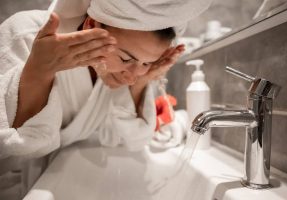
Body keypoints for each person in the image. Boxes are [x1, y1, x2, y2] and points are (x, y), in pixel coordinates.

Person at [0, 0, 211, 198]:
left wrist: (140, 83)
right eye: (126, 58)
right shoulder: (26, 34)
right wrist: (39, 71)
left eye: (147, 63)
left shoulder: (123, 74)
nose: (131, 74)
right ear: (92, 26)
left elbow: (129, 140)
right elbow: (10, 146)